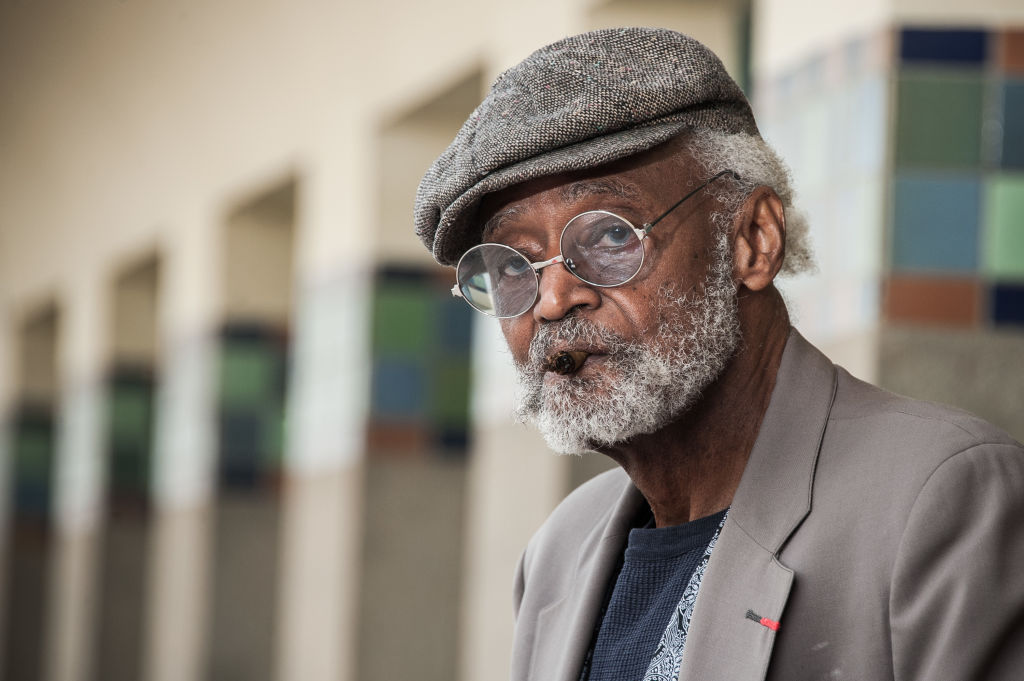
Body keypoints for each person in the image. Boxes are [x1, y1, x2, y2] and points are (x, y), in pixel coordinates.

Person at [414, 27, 1024, 681]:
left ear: (754, 240)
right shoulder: (558, 552)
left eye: (612, 236)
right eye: (513, 265)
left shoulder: (942, 497)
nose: (554, 298)